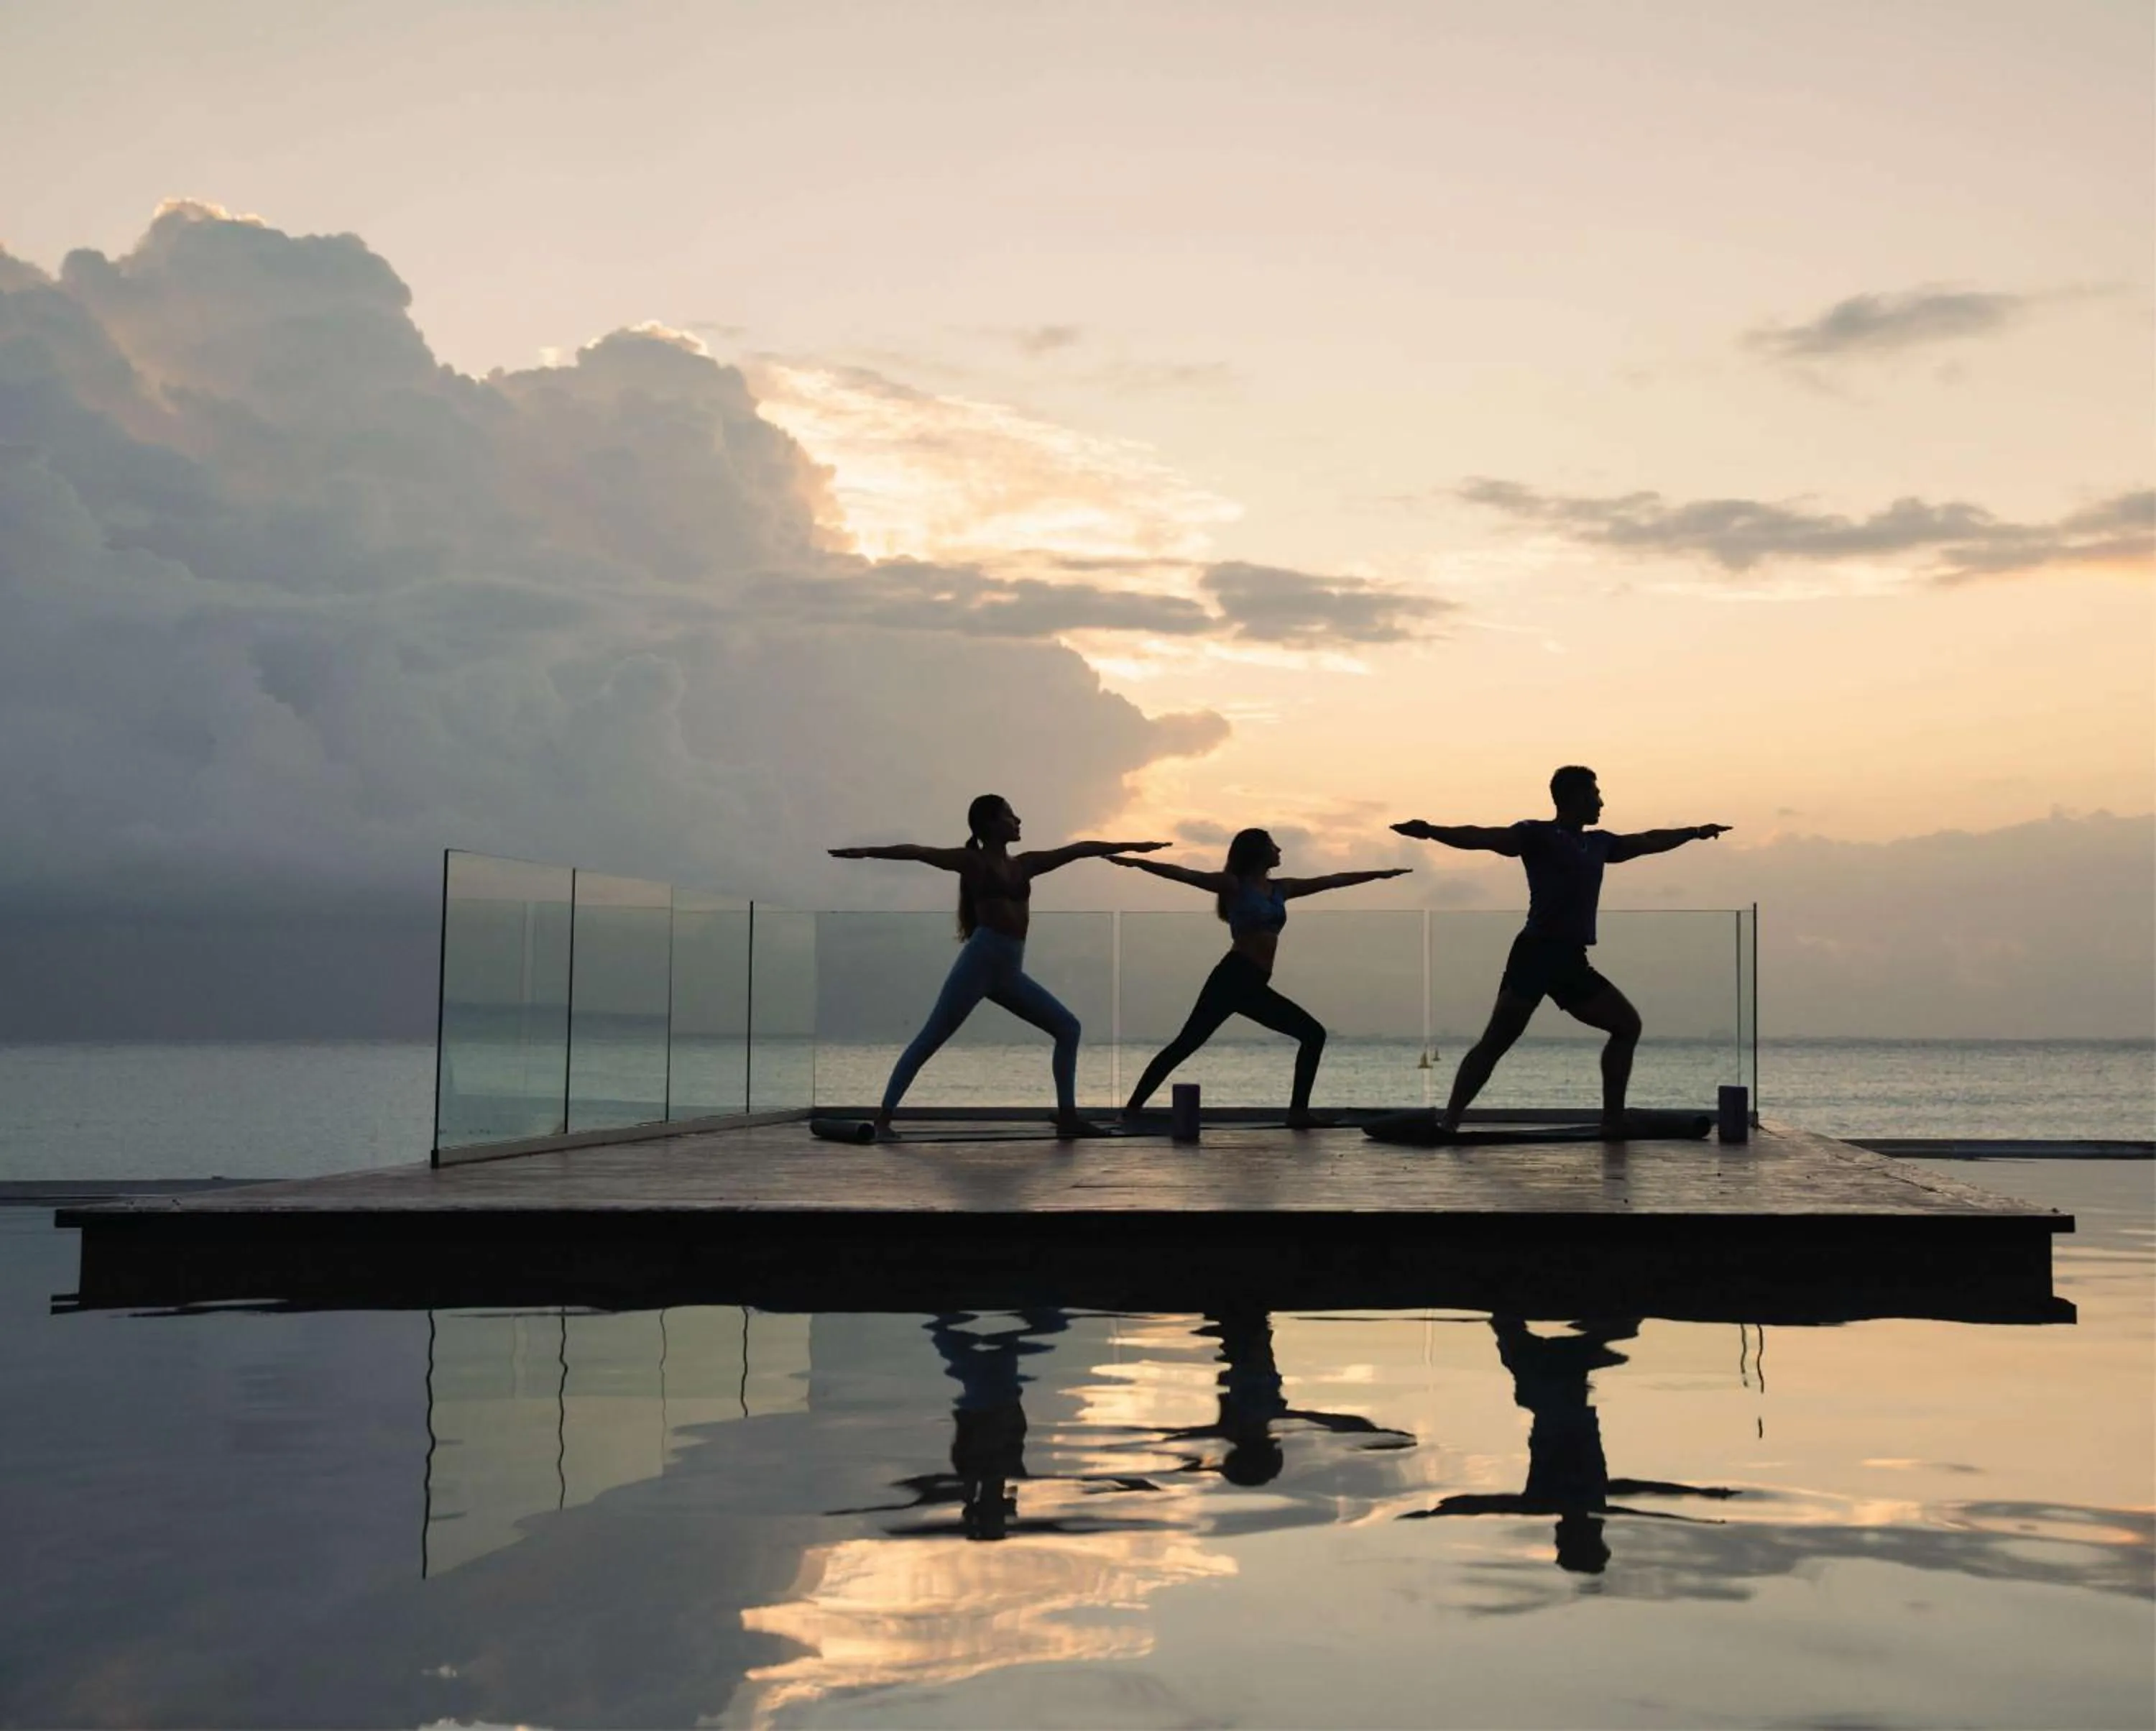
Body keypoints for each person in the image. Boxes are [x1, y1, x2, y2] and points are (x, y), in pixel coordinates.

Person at [1393, 766, 1728, 1138]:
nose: (1601, 801)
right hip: (1535, 955)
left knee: (1626, 1025)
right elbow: (1483, 837)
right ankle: (1450, 1121)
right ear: (1574, 798)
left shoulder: (1601, 843)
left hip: (1570, 960)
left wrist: (1695, 833)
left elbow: (1648, 839)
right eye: (1595, 794)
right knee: (1497, 1040)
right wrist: (1431, 831)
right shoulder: (1537, 835)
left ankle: (1613, 1119)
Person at [830, 794, 1166, 1139]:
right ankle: (884, 1119)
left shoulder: (1025, 865)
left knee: (1068, 1028)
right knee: (931, 1038)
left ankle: (1068, 1116)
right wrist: (868, 852)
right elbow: (919, 852)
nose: (1018, 821)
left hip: (1009, 970)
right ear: (990, 824)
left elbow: (1078, 849)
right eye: (1010, 816)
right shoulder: (973, 862)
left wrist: (1133, 845)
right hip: (980, 962)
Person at [1110, 829, 1411, 1129]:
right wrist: (1138, 864)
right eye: (1272, 846)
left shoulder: (1281, 888)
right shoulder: (1234, 885)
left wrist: (1380, 874)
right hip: (1232, 978)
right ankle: (1131, 1111)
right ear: (1256, 852)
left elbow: (1331, 881)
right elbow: (1185, 875)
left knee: (1312, 1035)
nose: (1279, 850)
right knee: (1186, 1044)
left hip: (1254, 983)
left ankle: (1297, 1112)